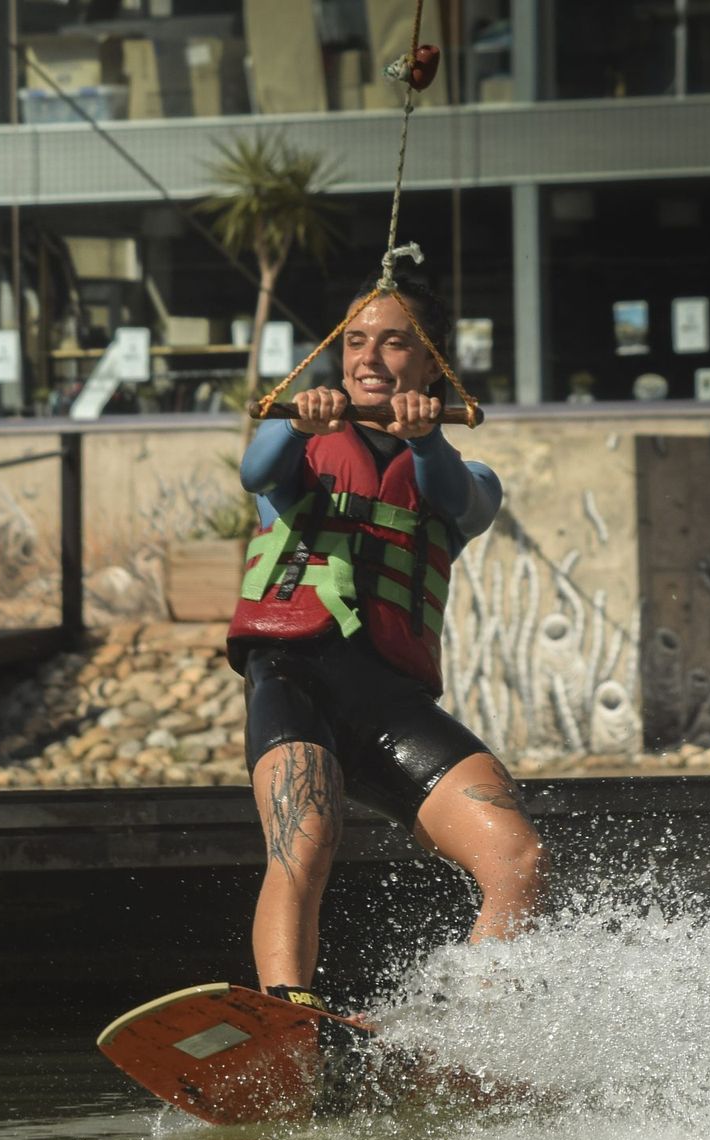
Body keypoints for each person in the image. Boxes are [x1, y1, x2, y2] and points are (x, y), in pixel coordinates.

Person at [229, 275, 549, 1018]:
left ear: (432, 363)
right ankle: (289, 1009)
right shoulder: (295, 452)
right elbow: (254, 471)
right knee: (305, 835)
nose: (369, 356)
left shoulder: (468, 478)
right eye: (356, 340)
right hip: (294, 677)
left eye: (395, 341)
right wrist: (298, 422)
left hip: (390, 701)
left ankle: (470, 1026)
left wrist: (424, 436)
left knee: (519, 857)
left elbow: (456, 498)